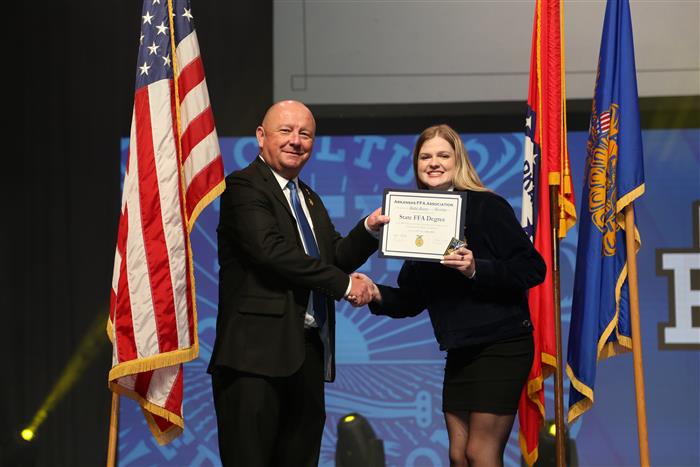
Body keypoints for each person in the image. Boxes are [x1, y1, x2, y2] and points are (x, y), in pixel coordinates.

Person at [208, 100, 388, 466]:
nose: (296, 140)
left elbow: (334, 257)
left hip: (305, 356)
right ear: (261, 136)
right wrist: (344, 285)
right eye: (286, 131)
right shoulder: (243, 186)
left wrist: (369, 229)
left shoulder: (308, 198)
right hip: (253, 360)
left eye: (305, 134)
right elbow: (271, 252)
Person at [354, 124, 546, 467]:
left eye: (443, 155)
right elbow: (411, 300)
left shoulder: (487, 206)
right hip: (460, 350)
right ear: (416, 164)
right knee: (458, 455)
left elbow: (533, 269)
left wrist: (475, 268)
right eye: (425, 157)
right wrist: (374, 292)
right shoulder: (415, 219)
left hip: (501, 345)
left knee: (479, 452)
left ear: (458, 161)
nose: (434, 163)